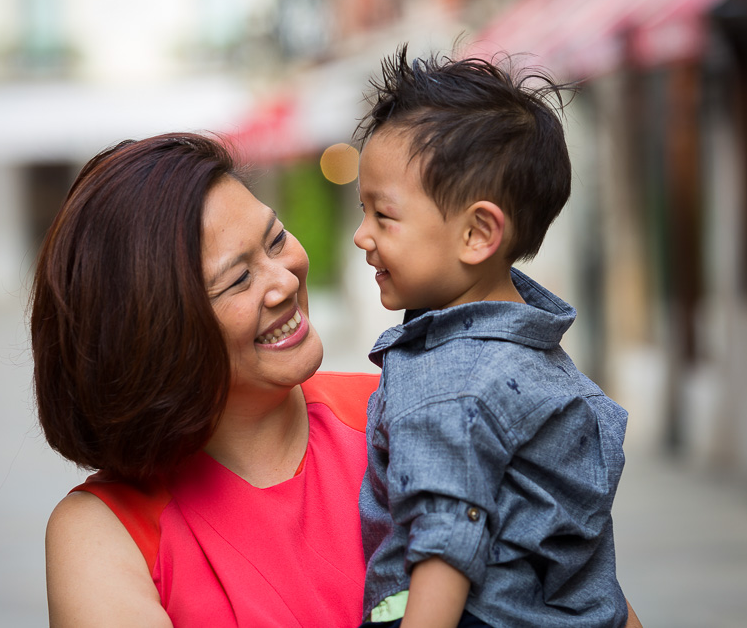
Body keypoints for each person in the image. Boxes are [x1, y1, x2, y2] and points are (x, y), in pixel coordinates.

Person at [32, 132, 644, 627]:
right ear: (153, 332)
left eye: (275, 240)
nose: (284, 279)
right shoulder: (104, 534)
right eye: (238, 280)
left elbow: (584, 598)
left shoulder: (421, 411)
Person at [352, 45, 629, 628]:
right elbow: (585, 559)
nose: (362, 236)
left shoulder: (450, 377)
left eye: (383, 215)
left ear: (478, 233)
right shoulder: (545, 365)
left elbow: (445, 538)